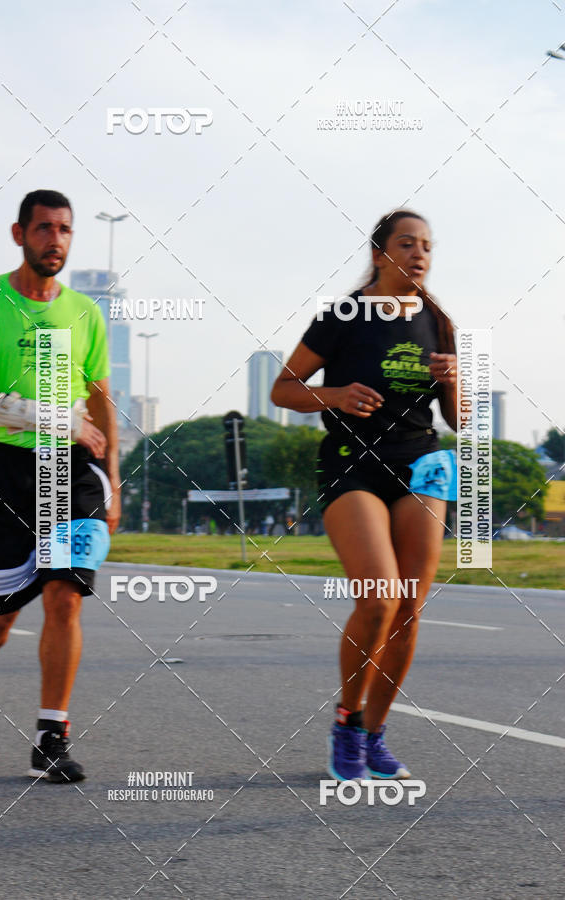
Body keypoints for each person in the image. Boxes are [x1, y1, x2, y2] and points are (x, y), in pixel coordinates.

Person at [271, 210, 458, 781]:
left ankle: (375, 735)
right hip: (353, 465)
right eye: (408, 243)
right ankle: (347, 723)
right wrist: (335, 396)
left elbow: (460, 419)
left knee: (407, 609)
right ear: (380, 254)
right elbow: (283, 388)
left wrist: (455, 381)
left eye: (427, 245)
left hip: (421, 461)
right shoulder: (342, 316)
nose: (420, 254)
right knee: (378, 597)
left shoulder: (440, 321)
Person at [0, 189, 121, 782]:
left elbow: (102, 399)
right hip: (3, 467)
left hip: (70, 471)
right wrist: (52, 416)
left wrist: (113, 481)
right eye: (43, 229)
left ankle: (51, 736)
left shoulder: (84, 311)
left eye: (64, 230)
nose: (54, 240)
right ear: (18, 234)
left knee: (64, 595)